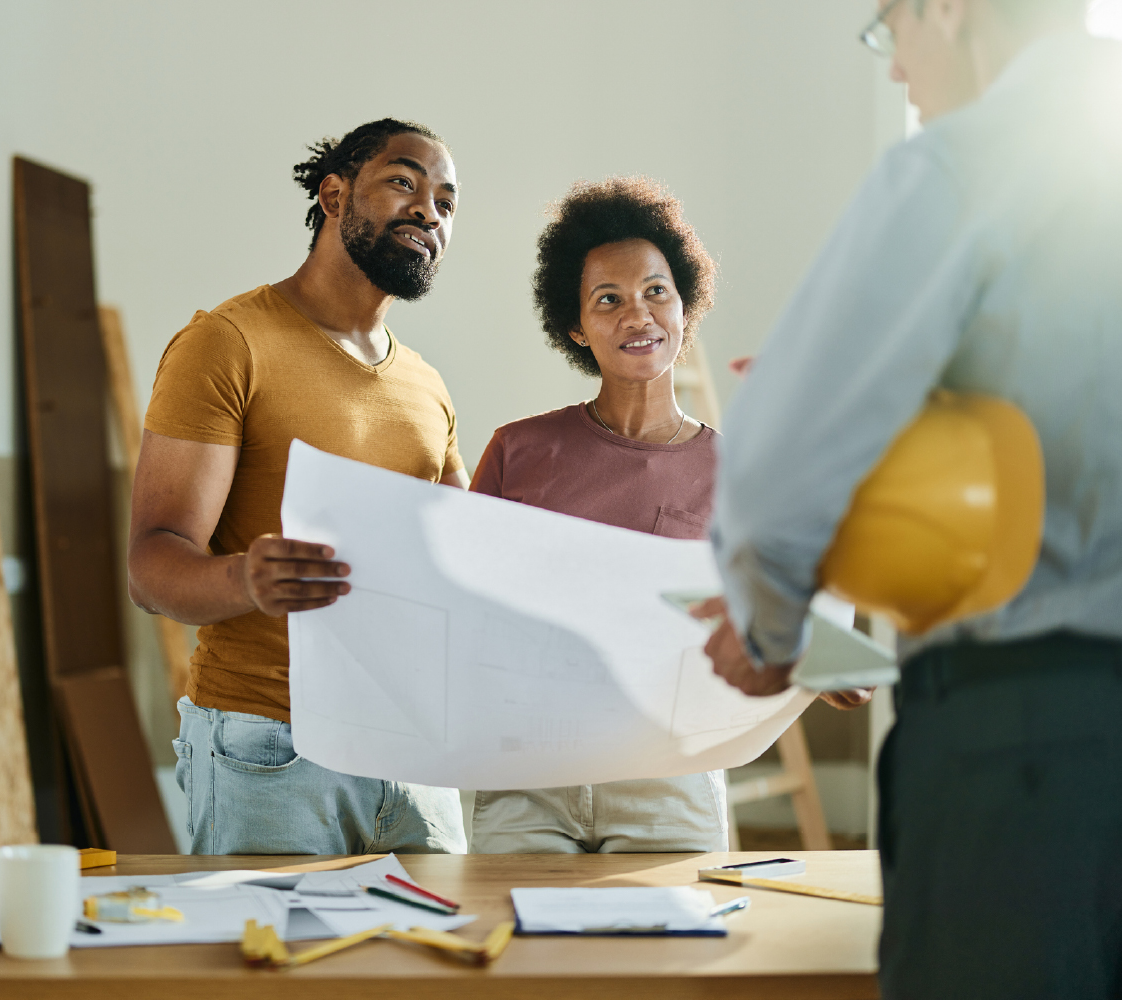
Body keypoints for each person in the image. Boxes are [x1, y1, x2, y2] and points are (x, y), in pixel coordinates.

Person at [697, 1, 1122, 996]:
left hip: (1028, 754)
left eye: (890, 30)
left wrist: (766, 633)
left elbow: (772, 481)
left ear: (948, 9)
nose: (895, 71)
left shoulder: (962, 165)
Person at [127, 118, 470, 856]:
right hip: (271, 746)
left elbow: (460, 552)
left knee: (435, 966)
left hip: (411, 745)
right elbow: (152, 567)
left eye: (447, 202)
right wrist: (248, 577)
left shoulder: (427, 386)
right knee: (273, 968)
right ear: (335, 194)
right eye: (404, 182)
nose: (428, 211)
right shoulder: (227, 344)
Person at [468, 176, 729, 853]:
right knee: (526, 956)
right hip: (528, 774)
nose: (637, 316)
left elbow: (764, 616)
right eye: (608, 300)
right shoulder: (517, 449)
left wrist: (818, 675)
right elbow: (465, 607)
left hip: (668, 776)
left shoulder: (736, 473)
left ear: (685, 305)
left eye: (655, 292)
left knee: (666, 954)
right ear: (576, 326)